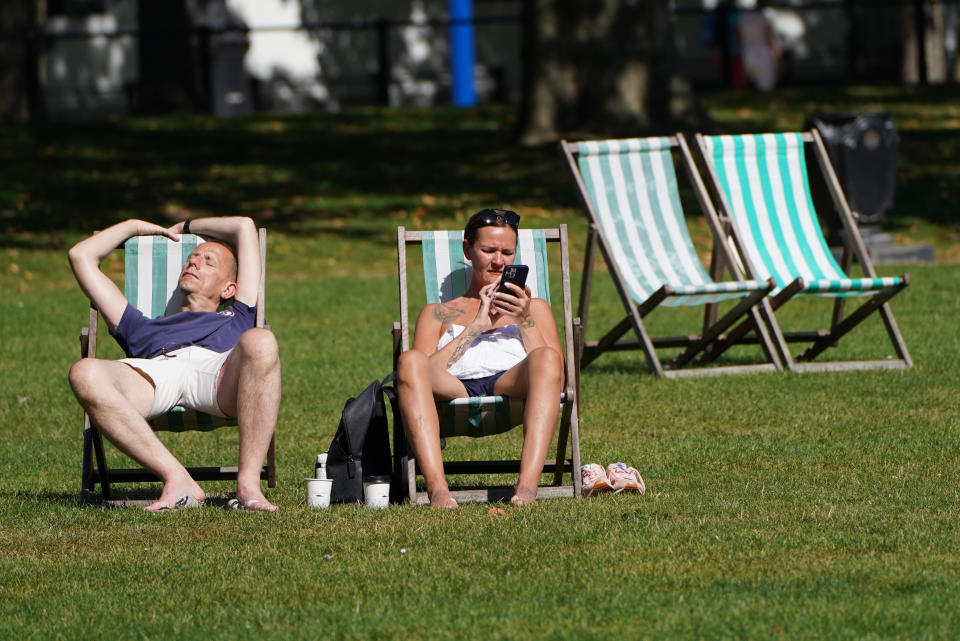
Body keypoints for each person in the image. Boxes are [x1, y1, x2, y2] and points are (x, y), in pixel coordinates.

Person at [68, 217, 280, 512]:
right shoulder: (140, 327)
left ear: (229, 289)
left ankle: (248, 486)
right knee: (84, 372)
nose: (193, 263)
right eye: (191, 259)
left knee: (261, 340)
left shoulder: (239, 315)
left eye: (208, 262)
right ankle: (177, 477)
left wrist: (185, 227)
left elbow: (244, 226)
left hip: (218, 373)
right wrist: (133, 227)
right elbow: (81, 256)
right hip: (156, 371)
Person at [396, 209, 564, 509]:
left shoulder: (534, 307)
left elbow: (557, 375)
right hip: (455, 387)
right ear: (468, 250)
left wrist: (524, 319)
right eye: (488, 251)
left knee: (549, 358)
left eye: (506, 252)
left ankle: (526, 489)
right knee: (409, 360)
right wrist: (474, 329)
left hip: (509, 383)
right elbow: (415, 376)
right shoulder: (438, 313)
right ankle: (438, 492)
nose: (498, 261)